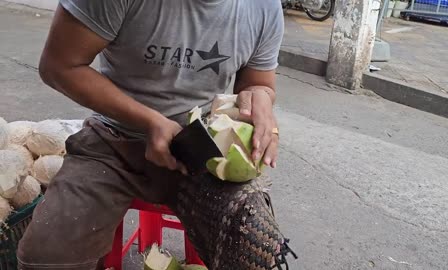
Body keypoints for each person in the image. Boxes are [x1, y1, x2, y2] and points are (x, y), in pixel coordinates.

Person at [17, 0, 295, 269]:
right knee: (46, 256)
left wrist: (260, 98)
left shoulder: (263, 7)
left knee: (254, 242)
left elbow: (258, 83)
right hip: (112, 141)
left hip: (200, 149)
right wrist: (150, 121)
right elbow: (59, 66)